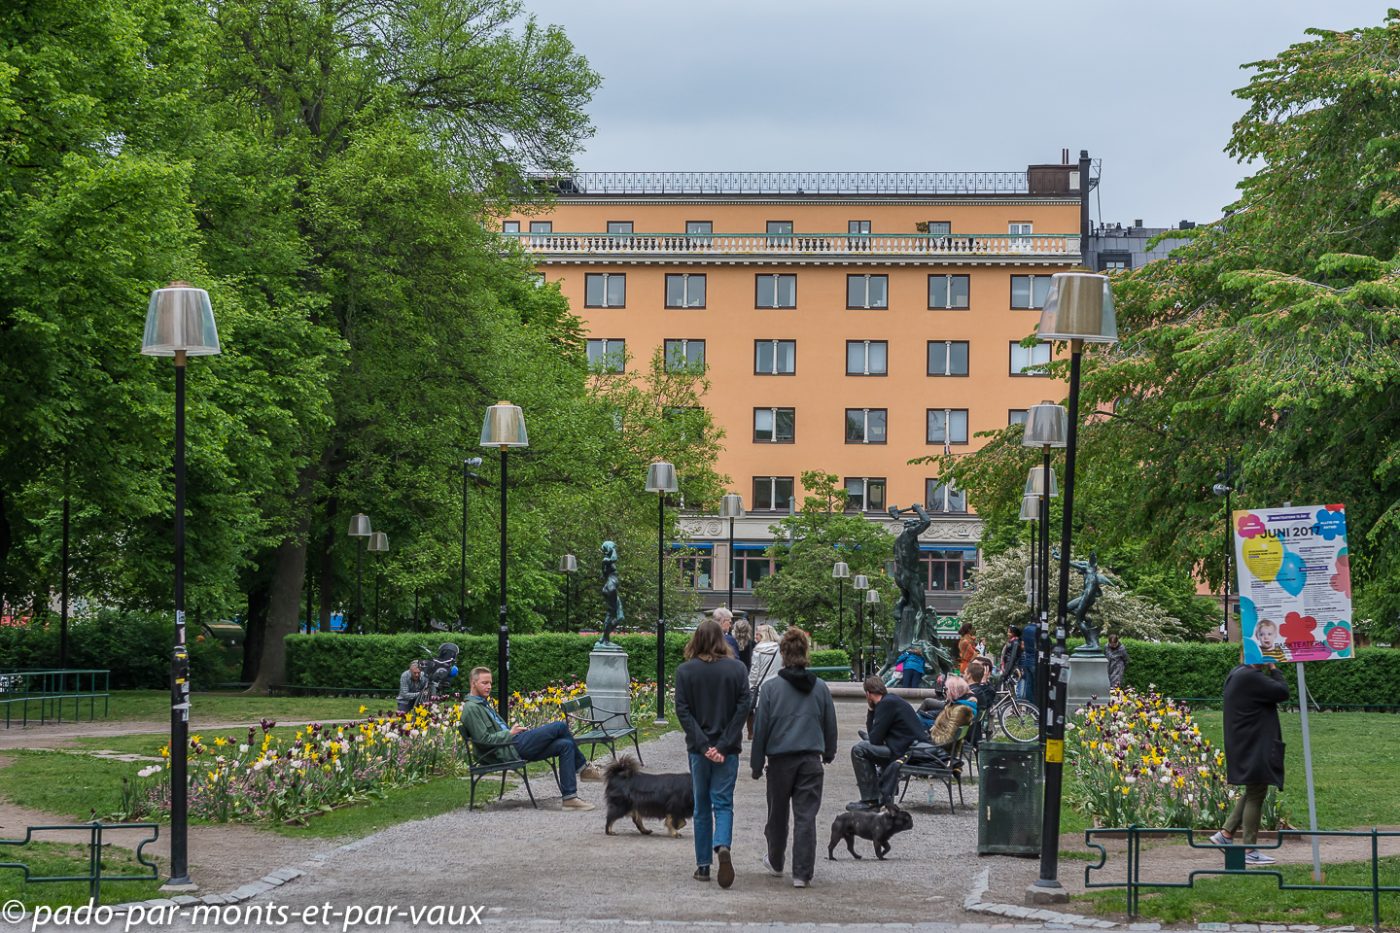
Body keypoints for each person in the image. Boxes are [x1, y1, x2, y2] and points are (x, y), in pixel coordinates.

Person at [750, 628, 838, 889]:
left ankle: (776, 862)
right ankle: (802, 873)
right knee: (806, 817)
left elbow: (761, 729)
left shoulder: (770, 689)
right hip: (810, 760)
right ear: (806, 653)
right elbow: (829, 724)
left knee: (777, 815)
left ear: (783, 654)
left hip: (779, 761)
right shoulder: (820, 688)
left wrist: (756, 765)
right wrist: (829, 752)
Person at [674, 618, 751, 887]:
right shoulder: (737, 669)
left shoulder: (686, 671)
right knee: (723, 803)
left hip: (698, 750)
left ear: (696, 639)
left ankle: (703, 865)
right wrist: (723, 744)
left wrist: (705, 745)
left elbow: (682, 710)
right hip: (727, 750)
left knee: (701, 806)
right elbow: (744, 707)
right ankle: (722, 845)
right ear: (722, 639)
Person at [459, 667, 601, 811]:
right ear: (473, 683)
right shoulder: (471, 708)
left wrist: (514, 731)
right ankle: (584, 769)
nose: (489, 686)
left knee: (565, 745)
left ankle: (570, 798)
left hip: (514, 742)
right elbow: (484, 740)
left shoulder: (482, 703)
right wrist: (510, 733)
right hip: (508, 749)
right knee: (559, 726)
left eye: (490, 683)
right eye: (484, 683)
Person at [1210, 662, 1289, 865]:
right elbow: (1282, 691)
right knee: (1256, 792)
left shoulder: (1237, 673)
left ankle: (1225, 834)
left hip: (1246, 742)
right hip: (1253, 743)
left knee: (1255, 788)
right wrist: (1273, 668)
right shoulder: (1250, 677)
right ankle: (1249, 849)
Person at [848, 676, 925, 811]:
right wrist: (872, 712)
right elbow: (875, 736)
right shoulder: (891, 700)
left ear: (868, 694)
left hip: (903, 751)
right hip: (908, 746)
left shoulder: (886, 705)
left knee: (858, 749)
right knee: (865, 744)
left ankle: (870, 801)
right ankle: (874, 796)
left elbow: (875, 739)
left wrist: (870, 711)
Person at [747, 624, 782, 740]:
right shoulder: (780, 649)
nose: (755, 637)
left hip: (762, 689)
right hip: (778, 688)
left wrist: (750, 686)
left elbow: (754, 672)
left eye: (757, 634)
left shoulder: (758, 650)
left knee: (760, 717)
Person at [1019, 620, 1039, 701]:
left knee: (1028, 684)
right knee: (1037, 685)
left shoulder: (1026, 629)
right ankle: (1036, 706)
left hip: (1027, 660)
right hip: (1035, 660)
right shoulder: (1039, 630)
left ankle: (1029, 705)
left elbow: (1022, 646)